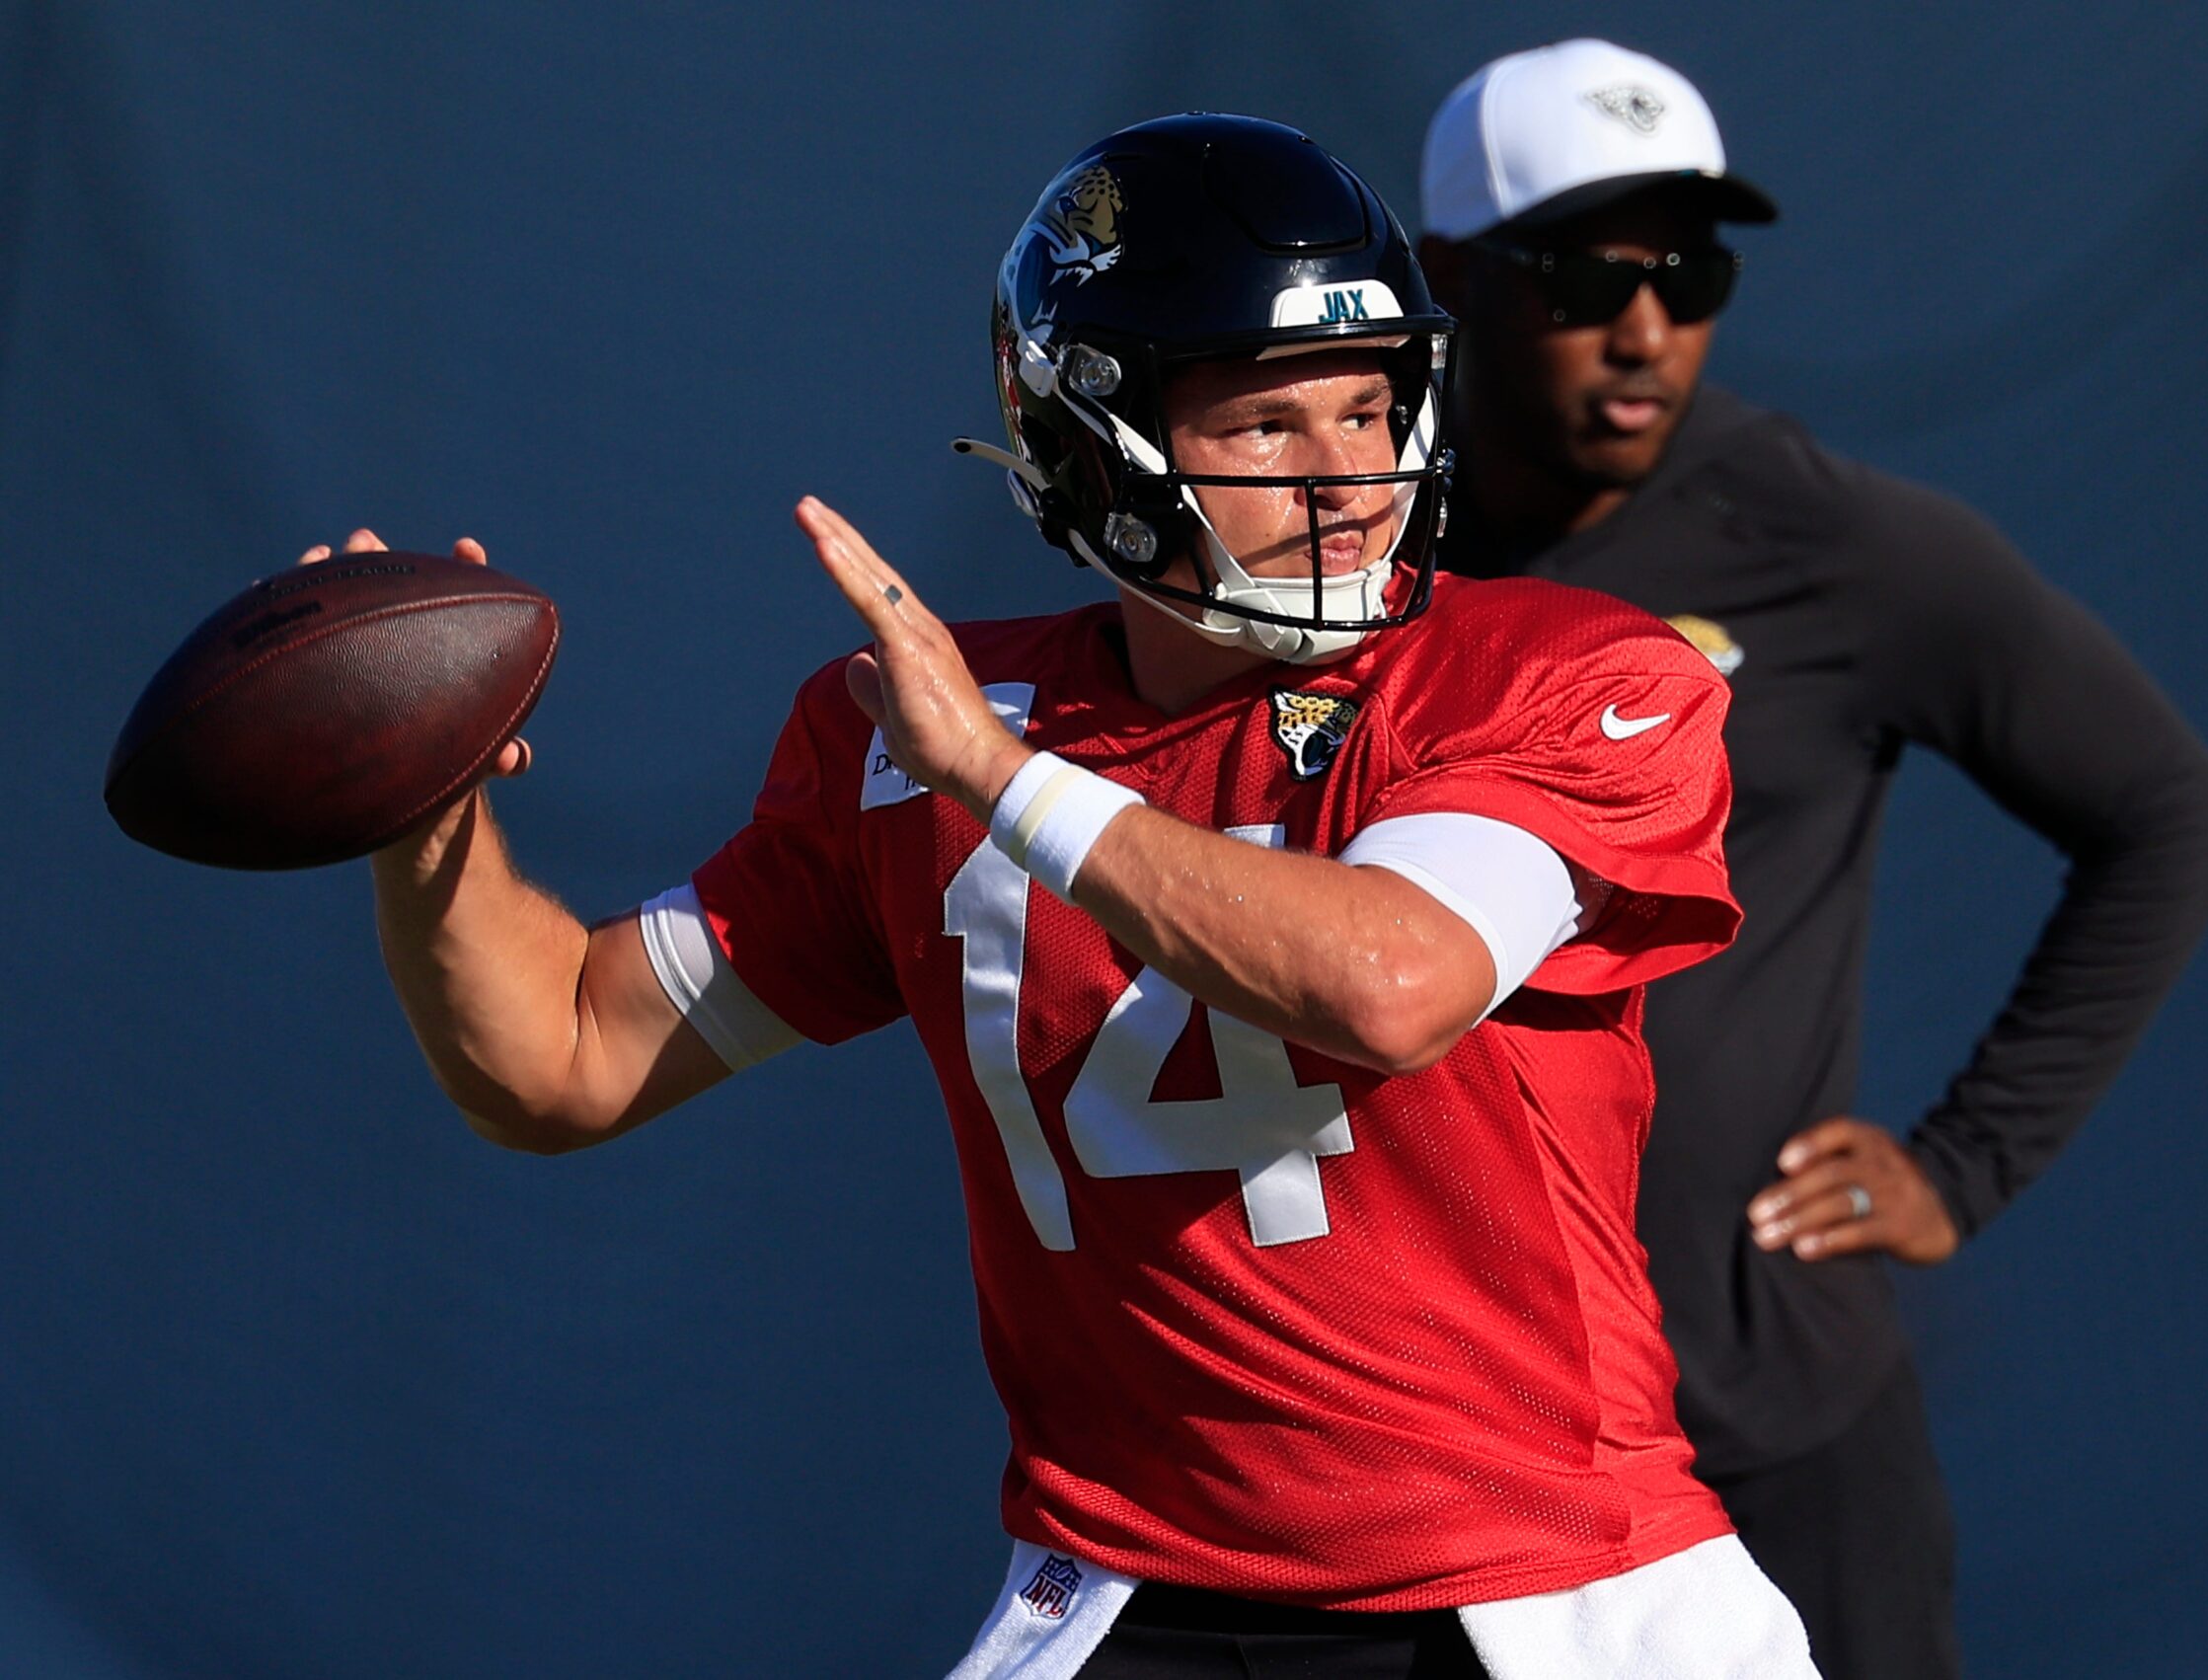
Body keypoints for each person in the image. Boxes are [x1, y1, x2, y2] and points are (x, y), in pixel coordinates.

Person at [308, 115, 1818, 1679]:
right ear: (1092, 449)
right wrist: (424, 818)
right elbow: (557, 1057)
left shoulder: (1563, 674)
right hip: (1119, 1593)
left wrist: (1006, 785)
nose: (1350, 481)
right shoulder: (926, 732)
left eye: (1374, 408)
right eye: (1271, 428)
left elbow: (1391, 980)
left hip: (1547, 1599)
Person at [1415, 39, 2208, 1680]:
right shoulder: (1355, 534)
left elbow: (2173, 814)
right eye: (1586, 272)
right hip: (1439, 1428)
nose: (1647, 325)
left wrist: (1966, 1160)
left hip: (1762, 1413)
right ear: (1450, 276)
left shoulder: (1818, 539)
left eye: (1691, 270)